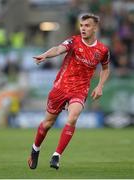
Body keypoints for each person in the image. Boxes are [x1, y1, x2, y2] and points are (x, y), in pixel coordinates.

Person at [28, 13, 110, 170]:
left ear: (95, 28)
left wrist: (100, 86)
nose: (83, 28)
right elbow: (59, 49)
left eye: (87, 25)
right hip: (61, 88)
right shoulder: (74, 41)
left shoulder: (102, 50)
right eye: (81, 25)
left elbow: (106, 69)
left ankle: (56, 156)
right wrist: (45, 55)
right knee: (47, 124)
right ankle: (35, 149)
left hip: (79, 90)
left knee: (72, 118)